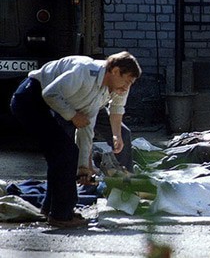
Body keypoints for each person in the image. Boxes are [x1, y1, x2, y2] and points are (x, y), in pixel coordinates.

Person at [10, 51, 142, 227]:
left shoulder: (102, 90)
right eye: (126, 82)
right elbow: (50, 93)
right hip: (30, 99)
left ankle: (51, 208)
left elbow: (86, 127)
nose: (126, 88)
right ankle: (61, 216)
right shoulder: (85, 71)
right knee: (65, 153)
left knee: (62, 155)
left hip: (53, 106)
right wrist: (72, 116)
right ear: (115, 71)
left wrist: (84, 167)